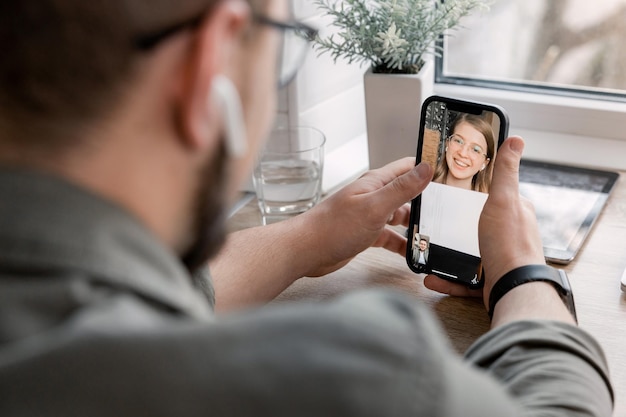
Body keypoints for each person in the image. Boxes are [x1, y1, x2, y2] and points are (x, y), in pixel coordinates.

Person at [0, 1, 613, 416]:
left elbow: (137, 289)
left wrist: (305, 239)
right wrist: (523, 274)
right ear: (205, 67)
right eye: (282, 44)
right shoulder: (349, 376)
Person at [433, 113, 495, 192]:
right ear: (447, 143)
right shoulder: (421, 188)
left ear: (485, 163)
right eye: (458, 141)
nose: (463, 153)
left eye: (475, 150)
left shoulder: (487, 203)